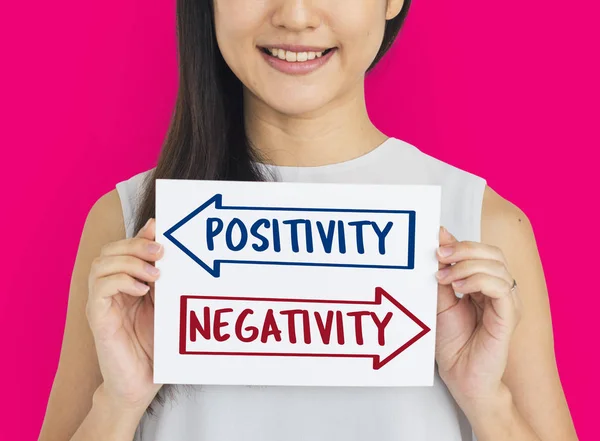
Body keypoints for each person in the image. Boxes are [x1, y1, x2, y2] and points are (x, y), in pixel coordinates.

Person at [38, 1, 578, 440]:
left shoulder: (482, 225)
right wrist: (120, 401)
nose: (296, 16)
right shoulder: (131, 222)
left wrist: (488, 403)